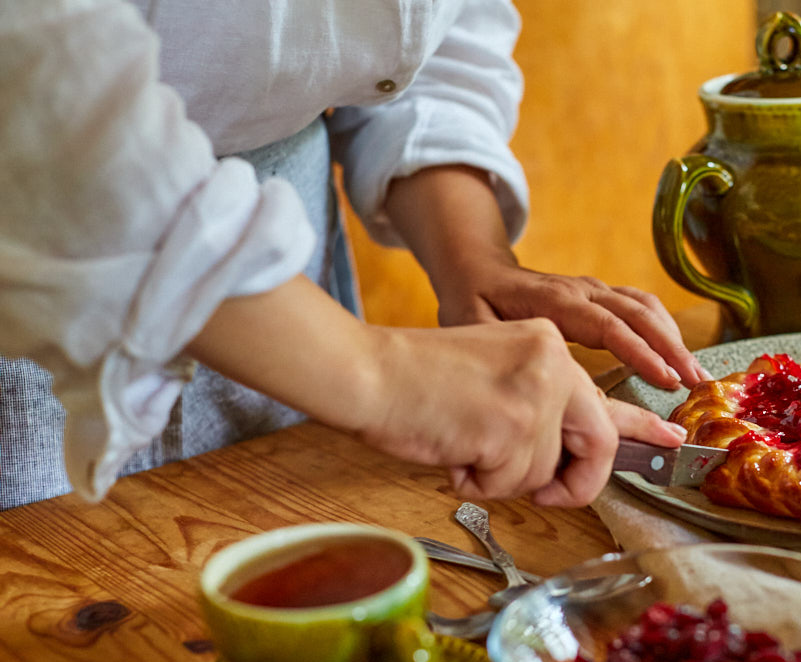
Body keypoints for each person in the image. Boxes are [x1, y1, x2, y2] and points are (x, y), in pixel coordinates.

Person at [0, 0, 709, 510]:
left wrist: (477, 262)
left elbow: (432, 31)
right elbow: (35, 84)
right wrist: (377, 373)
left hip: (289, 312)